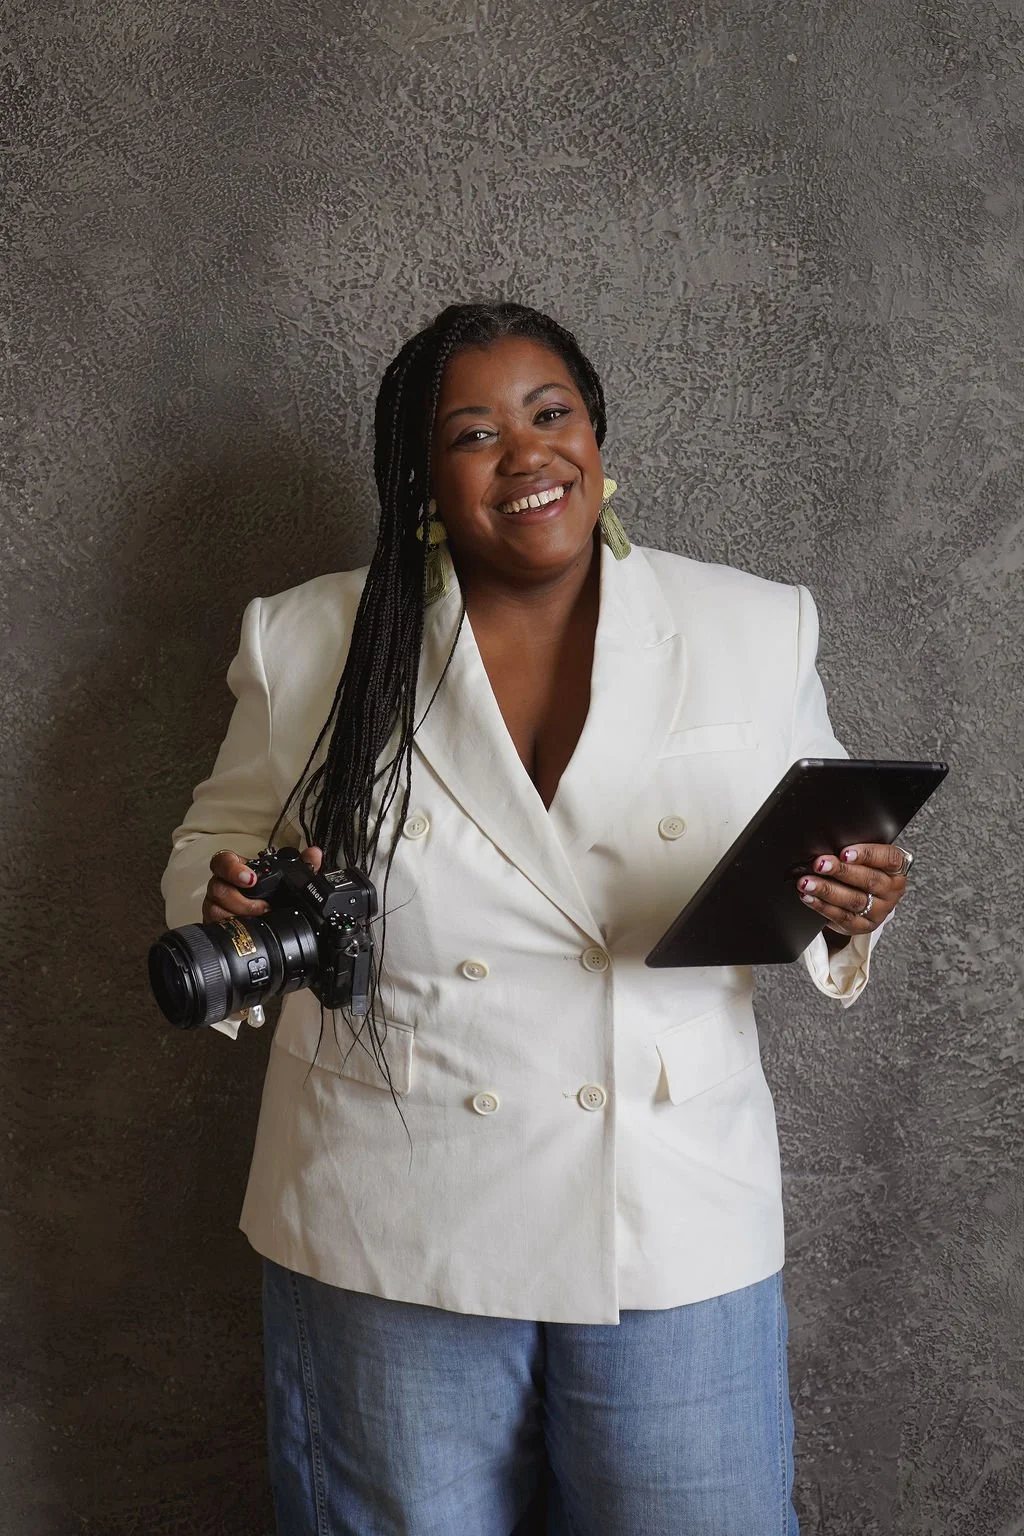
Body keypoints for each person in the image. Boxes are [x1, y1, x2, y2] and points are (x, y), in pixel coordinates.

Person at [161, 301, 913, 1536]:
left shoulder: (752, 624)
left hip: (668, 1199)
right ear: (420, 478)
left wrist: (851, 901)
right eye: (474, 432)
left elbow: (823, 854)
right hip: (390, 1197)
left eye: (550, 413)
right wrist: (224, 893)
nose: (526, 452)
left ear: (597, 439)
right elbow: (216, 836)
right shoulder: (309, 637)